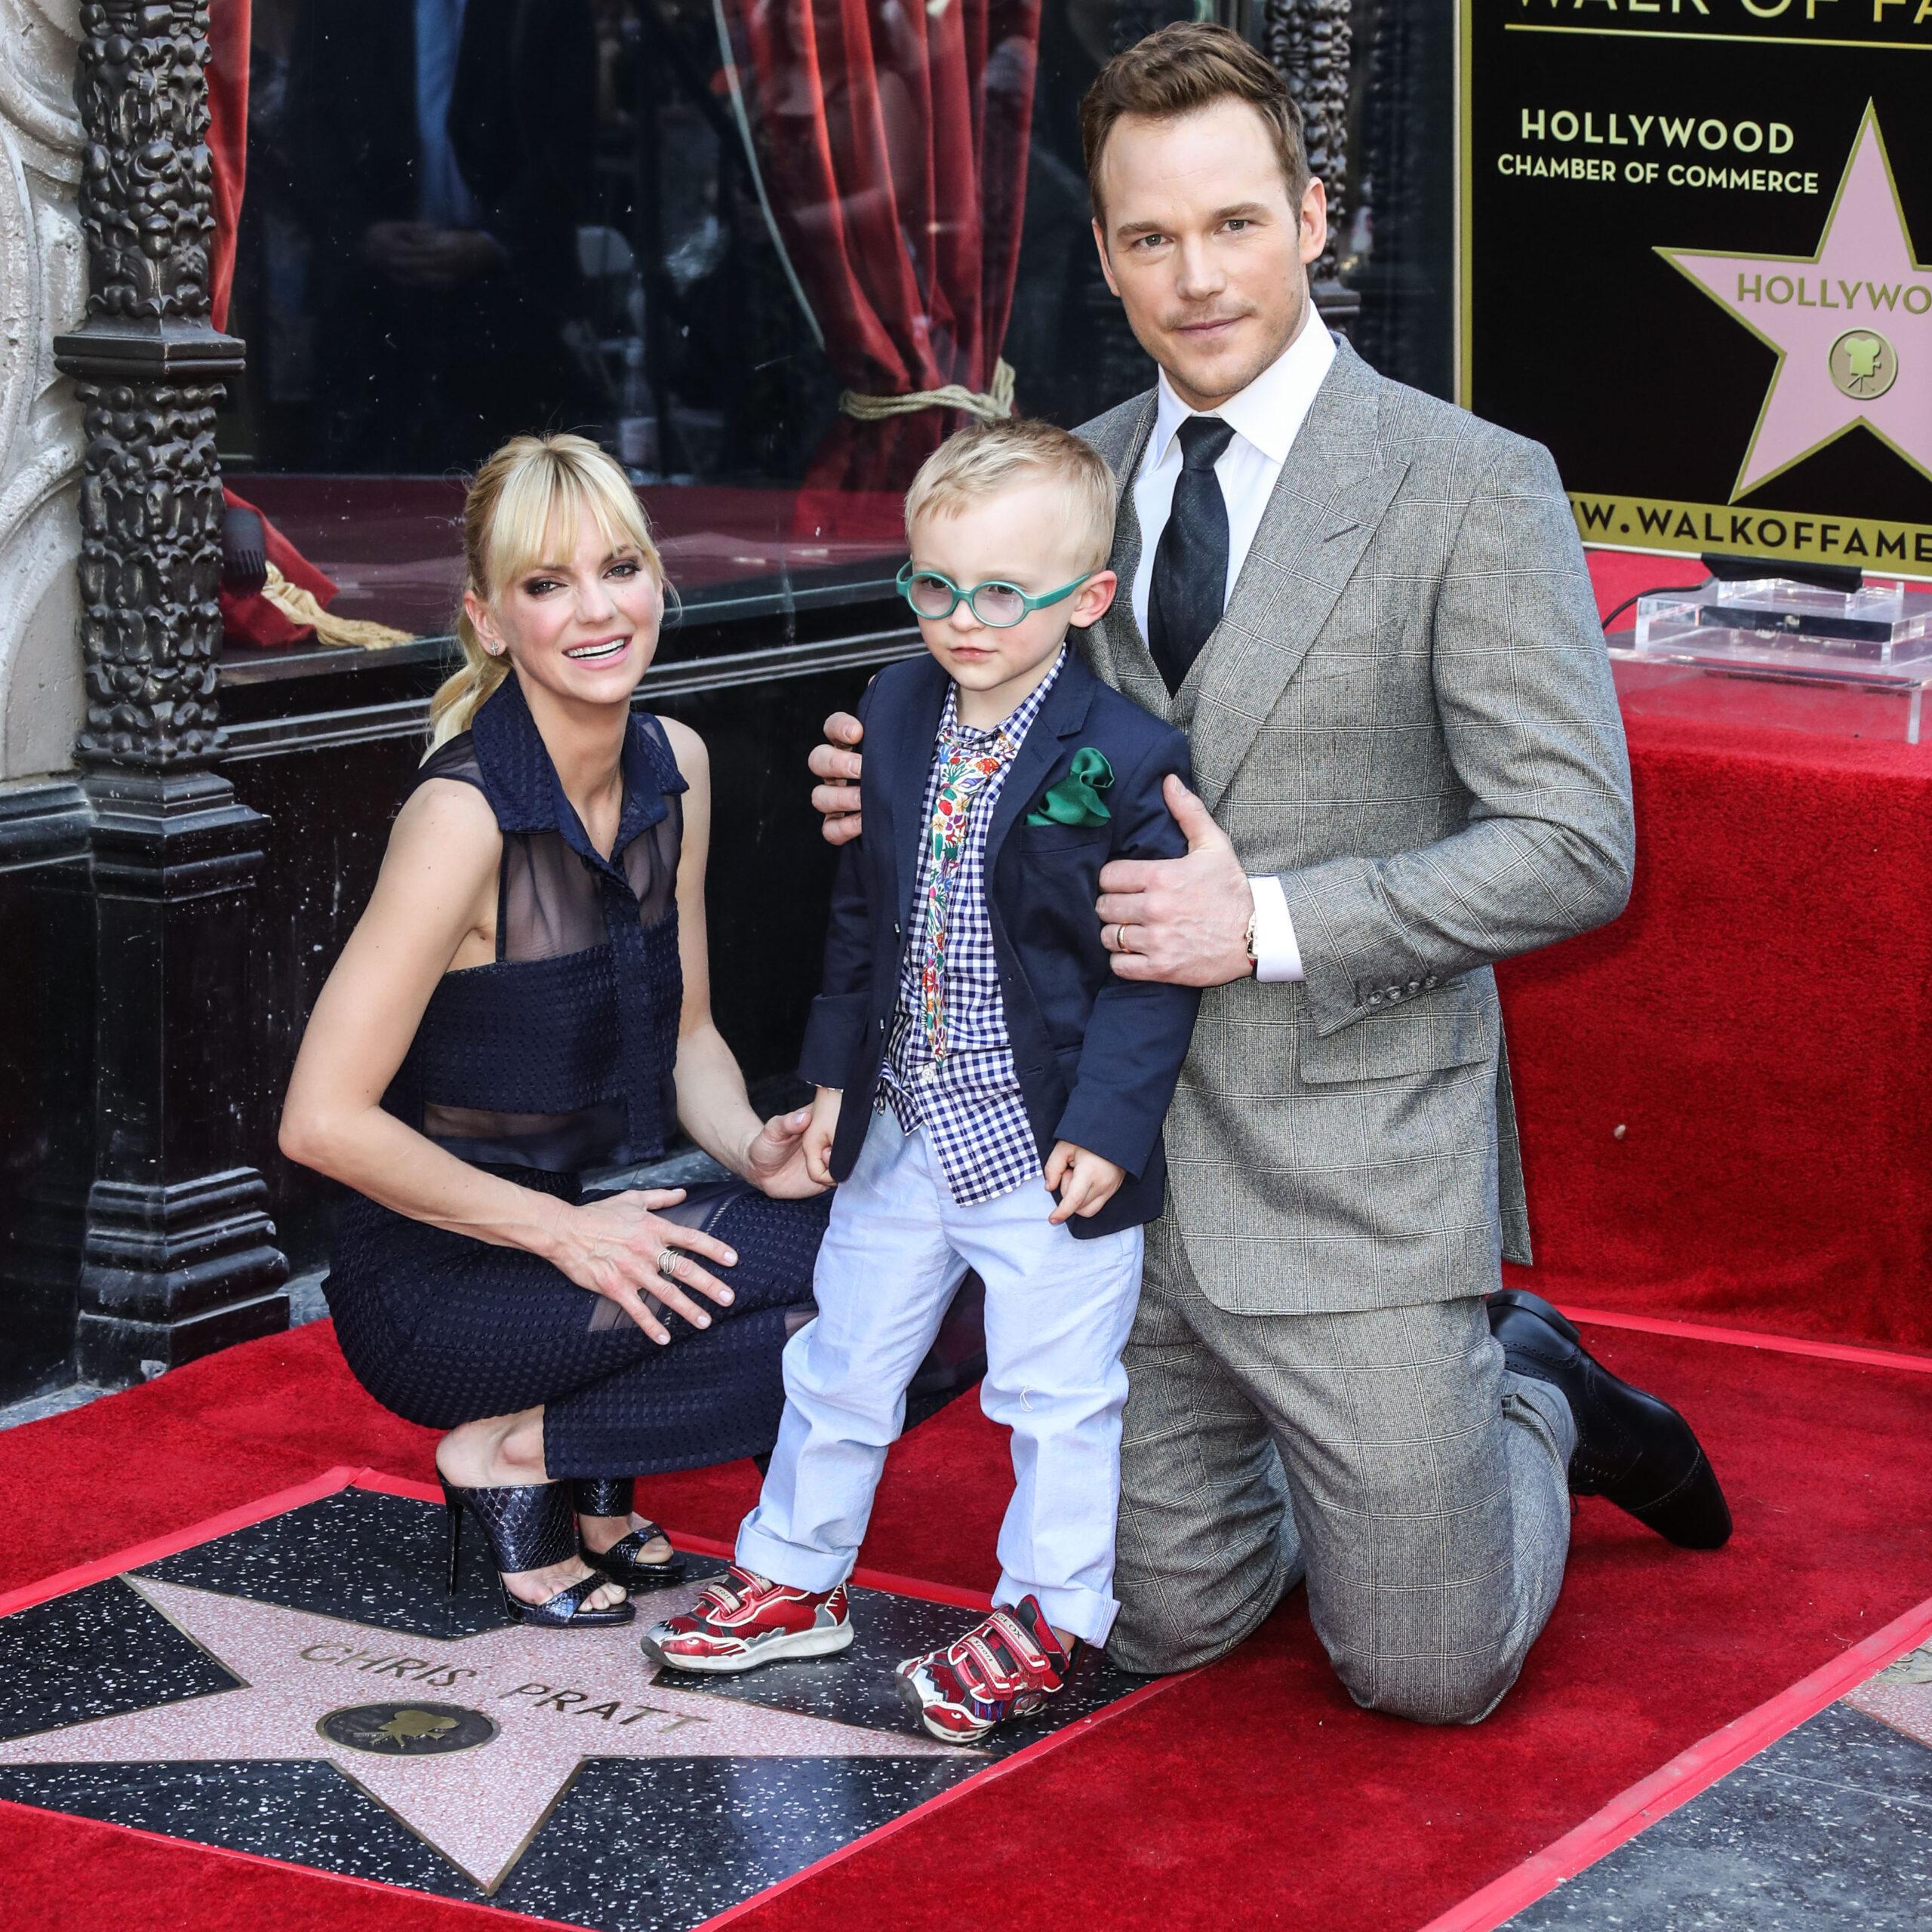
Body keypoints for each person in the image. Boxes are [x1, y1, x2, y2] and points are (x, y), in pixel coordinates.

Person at [803, 25, 1730, 1724]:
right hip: (1104, 1171)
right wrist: (902, 786)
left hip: (1350, 1158)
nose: (1194, 275)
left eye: (1232, 224)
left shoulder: (1469, 482)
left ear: (1312, 219)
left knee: (1424, 1671)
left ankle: (1528, 1396)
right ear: (1101, 253)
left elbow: (1573, 846)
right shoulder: (1047, 489)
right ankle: (1369, 1463)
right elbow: (996, 759)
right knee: (1155, 1621)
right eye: (1148, 236)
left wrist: (1269, 923)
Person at [645, 420, 1201, 1743]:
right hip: (903, 1127)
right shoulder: (896, 708)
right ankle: (793, 1576)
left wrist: (1113, 1131)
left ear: (1089, 599)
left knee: (1056, 1393)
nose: (964, 619)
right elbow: (864, 914)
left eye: (1004, 592)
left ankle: (1049, 1614)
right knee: (840, 1359)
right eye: (934, 584)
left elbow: (1149, 973)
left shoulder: (1126, 757)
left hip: (1048, 1140)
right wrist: (835, 1081)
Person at [280, 433, 831, 1629]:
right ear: (488, 619)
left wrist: (751, 1151)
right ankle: (506, 1454)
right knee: (840, 1284)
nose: (597, 610)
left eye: (619, 568)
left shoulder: (672, 762)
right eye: (546, 584)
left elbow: (687, 1035)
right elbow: (319, 1122)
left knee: (894, 1246)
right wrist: (561, 1235)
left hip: (595, 1232)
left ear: (658, 584)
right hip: (444, 1281)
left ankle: (566, 1458)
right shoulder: (462, 819)